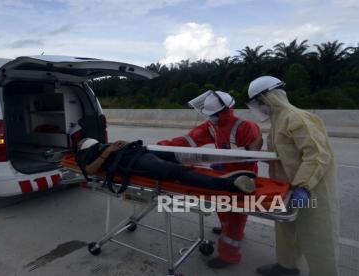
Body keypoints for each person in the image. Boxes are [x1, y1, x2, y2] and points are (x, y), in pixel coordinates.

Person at [157, 90, 263, 268]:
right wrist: (162, 147)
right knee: (221, 205)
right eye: (211, 115)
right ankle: (226, 228)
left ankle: (229, 256)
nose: (212, 118)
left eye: (215, 115)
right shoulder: (212, 126)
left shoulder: (246, 126)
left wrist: (232, 161)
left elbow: (252, 155)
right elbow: (188, 141)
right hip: (221, 173)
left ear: (226, 110)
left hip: (241, 175)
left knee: (235, 212)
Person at [247, 76, 338, 276]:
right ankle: (286, 266)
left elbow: (317, 155)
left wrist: (303, 186)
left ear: (270, 97)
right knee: (285, 228)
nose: (259, 108)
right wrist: (248, 155)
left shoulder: (296, 118)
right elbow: (282, 158)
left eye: (259, 103)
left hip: (310, 189)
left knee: (318, 237)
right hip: (286, 188)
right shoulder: (277, 122)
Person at [75, 138, 257, 194]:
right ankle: (230, 184)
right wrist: (107, 152)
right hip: (133, 161)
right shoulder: (83, 153)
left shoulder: (98, 144)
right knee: (173, 171)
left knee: (178, 156)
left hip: (137, 152)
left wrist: (120, 145)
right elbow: (90, 170)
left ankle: (225, 172)